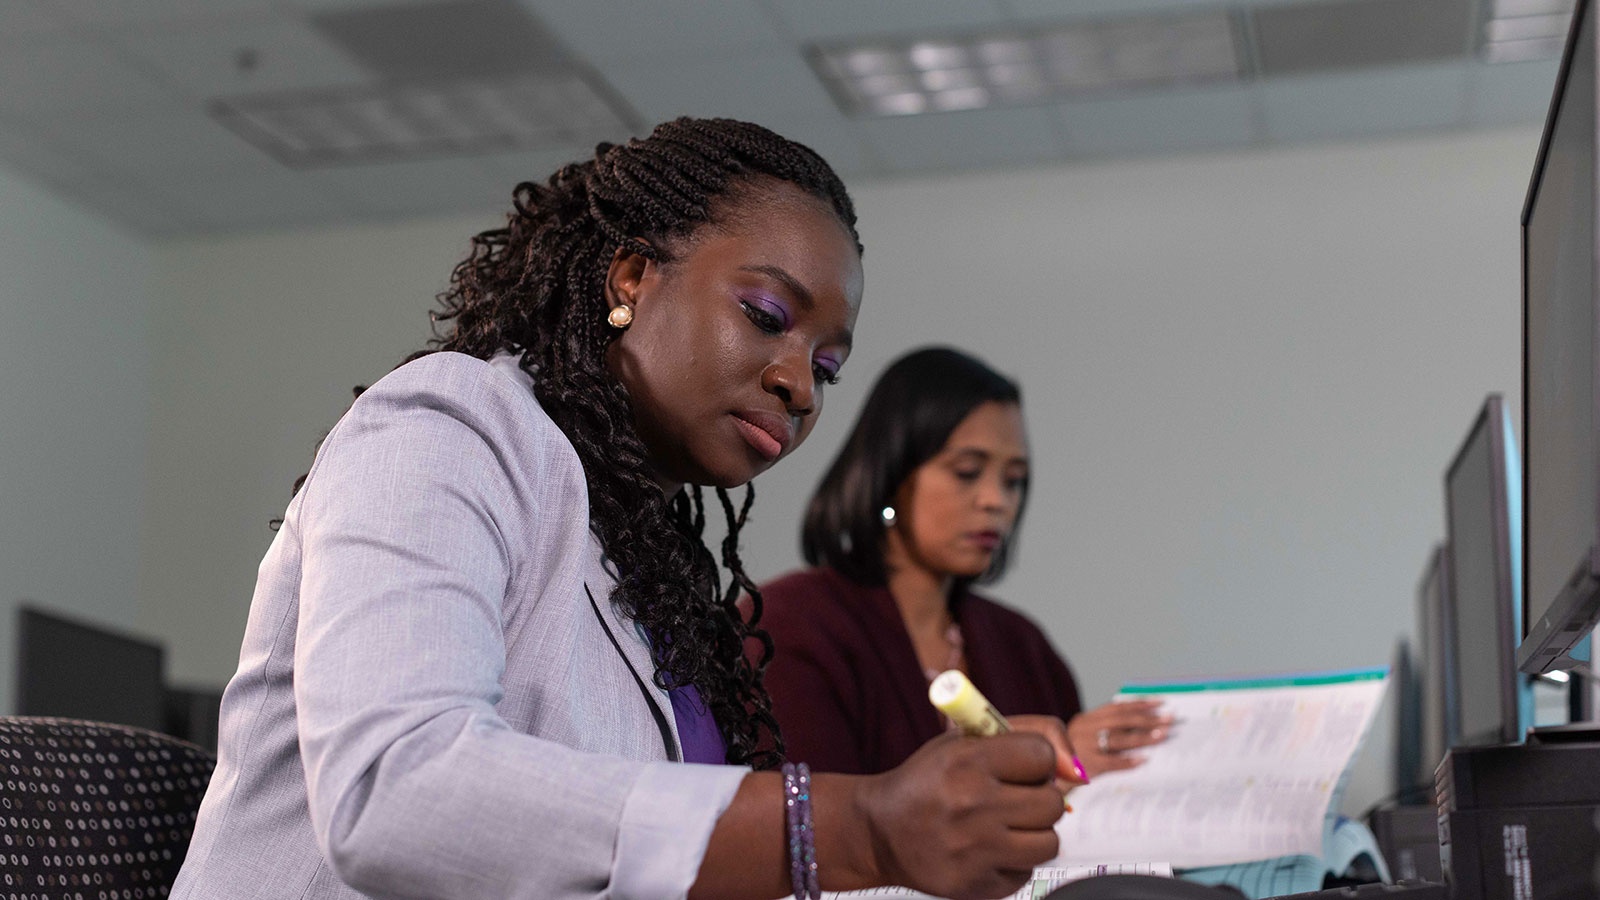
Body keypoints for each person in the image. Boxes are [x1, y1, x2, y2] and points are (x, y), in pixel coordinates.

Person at [171, 120, 1083, 900]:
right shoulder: (447, 424)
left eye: (828, 367)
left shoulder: (649, 566)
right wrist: (859, 827)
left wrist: (970, 807)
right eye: (767, 313)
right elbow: (395, 789)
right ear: (632, 277)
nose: (798, 383)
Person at [759, 346, 1172, 778]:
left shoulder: (1025, 647)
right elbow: (816, 826)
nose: (997, 501)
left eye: (1014, 480)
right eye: (967, 471)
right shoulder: (790, 627)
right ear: (892, 475)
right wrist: (1044, 763)